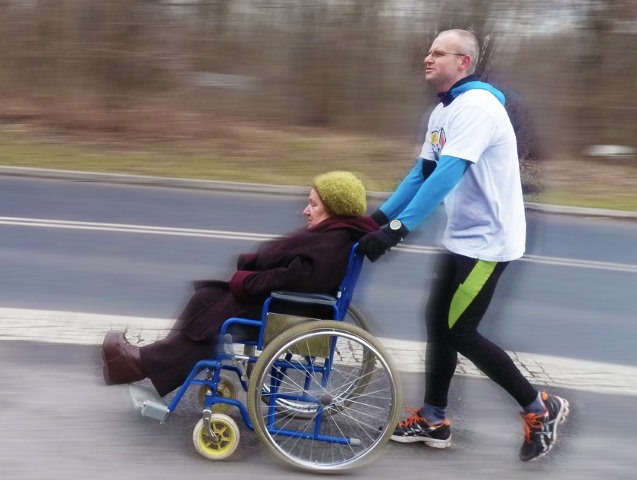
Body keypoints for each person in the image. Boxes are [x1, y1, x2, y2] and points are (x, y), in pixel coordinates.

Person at [358, 29, 569, 462]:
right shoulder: (444, 111)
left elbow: (447, 175)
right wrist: (375, 220)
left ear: (464, 63)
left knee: (460, 331)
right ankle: (433, 420)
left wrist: (397, 230)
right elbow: (420, 174)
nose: (428, 58)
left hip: (490, 243)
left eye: (439, 53)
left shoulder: (477, 108)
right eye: (428, 51)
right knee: (438, 323)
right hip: (462, 237)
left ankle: (540, 407)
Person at [102, 171, 379, 397]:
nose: (306, 210)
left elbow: (295, 279)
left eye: (314, 204)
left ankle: (142, 364)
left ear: (335, 209)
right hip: (286, 303)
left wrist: (246, 282)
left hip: (288, 313)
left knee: (219, 318)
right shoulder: (335, 235)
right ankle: (158, 363)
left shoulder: (332, 243)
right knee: (207, 297)